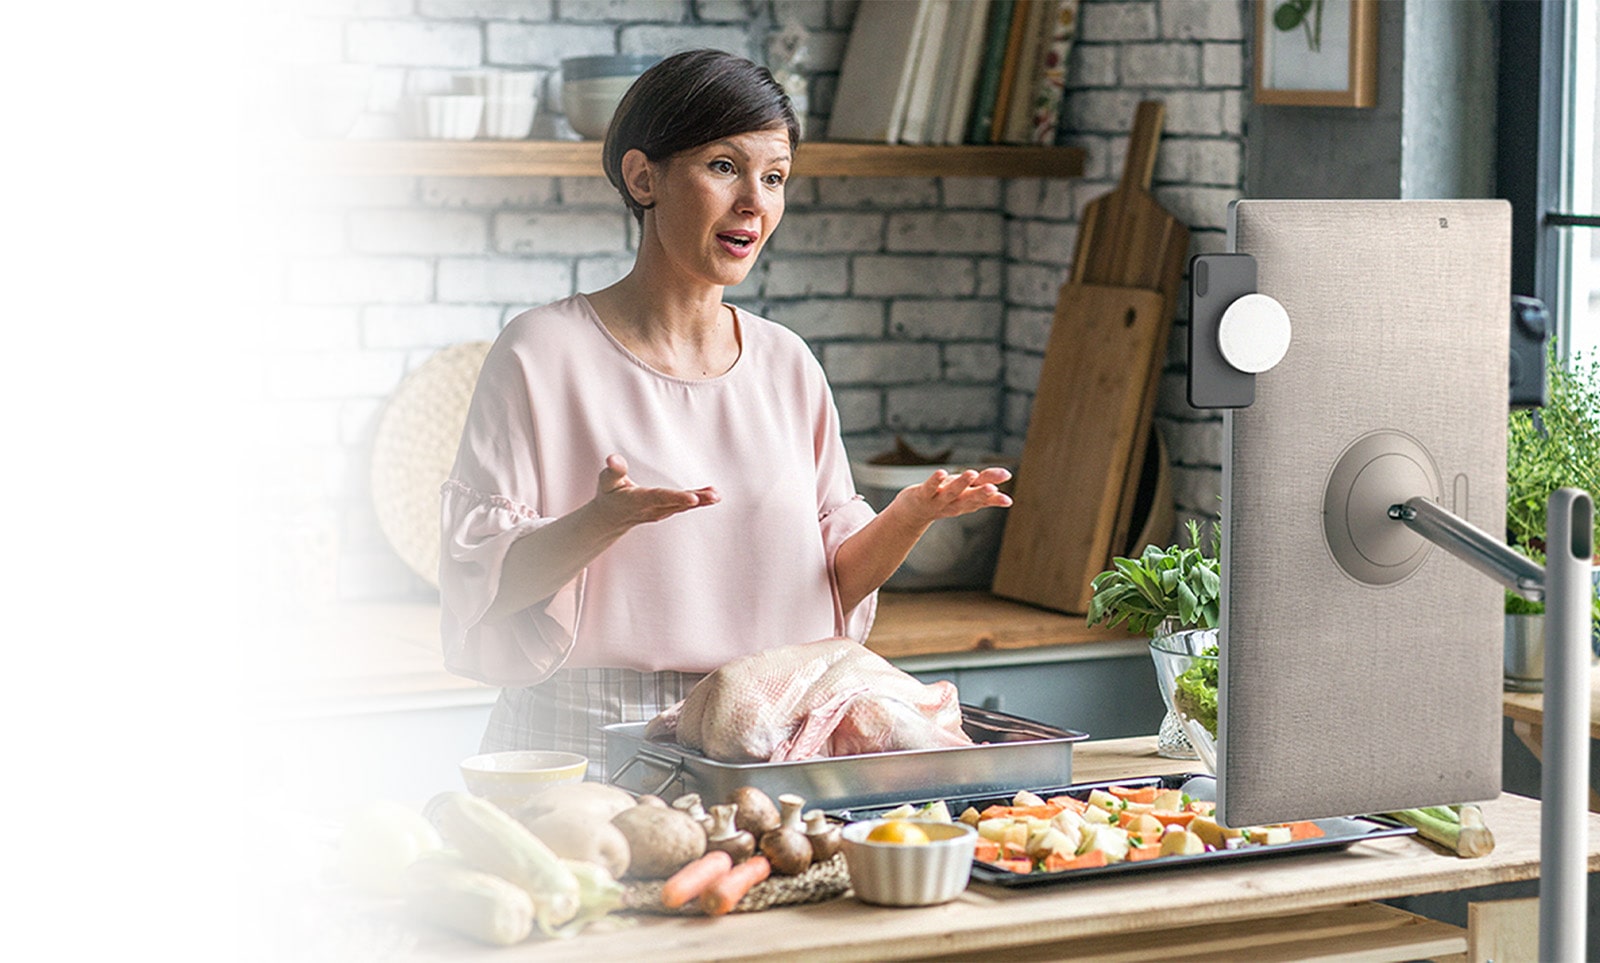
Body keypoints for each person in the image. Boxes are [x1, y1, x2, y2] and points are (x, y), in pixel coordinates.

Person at [439, 49, 1011, 775]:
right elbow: (482, 582)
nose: (755, 202)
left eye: (774, 177)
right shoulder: (540, 354)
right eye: (723, 166)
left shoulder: (787, 363)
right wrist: (601, 519)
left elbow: (831, 583)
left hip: (766, 730)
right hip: (585, 740)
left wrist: (908, 518)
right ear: (643, 176)